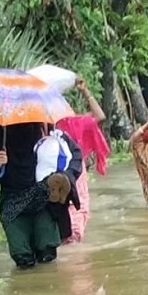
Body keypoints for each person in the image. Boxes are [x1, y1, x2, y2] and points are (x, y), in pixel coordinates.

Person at [0, 122, 83, 269]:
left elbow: (74, 154)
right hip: (13, 200)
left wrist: (65, 177)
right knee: (23, 259)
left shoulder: (43, 122)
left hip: (43, 198)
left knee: (47, 255)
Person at [54, 78, 109, 244]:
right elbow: (100, 116)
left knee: (75, 206)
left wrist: (85, 91)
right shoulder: (48, 126)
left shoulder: (75, 123)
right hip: (60, 172)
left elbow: (99, 116)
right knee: (74, 206)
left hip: (73, 171)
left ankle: (70, 242)